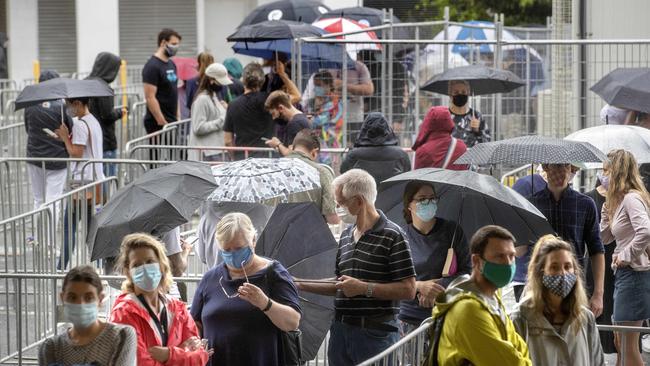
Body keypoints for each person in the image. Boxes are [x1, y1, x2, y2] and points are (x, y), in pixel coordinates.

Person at [297, 169, 416, 365]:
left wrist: (364, 288)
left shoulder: (393, 236)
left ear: (359, 201)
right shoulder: (346, 235)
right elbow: (340, 284)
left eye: (340, 203)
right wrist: (299, 283)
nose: (337, 208)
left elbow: (409, 289)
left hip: (375, 334)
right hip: (341, 331)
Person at [191, 213, 301, 365]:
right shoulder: (210, 278)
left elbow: (292, 322)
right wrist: (195, 343)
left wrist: (265, 303)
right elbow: (194, 323)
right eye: (226, 249)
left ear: (253, 241)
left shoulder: (274, 273)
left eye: (239, 248)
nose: (232, 254)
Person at [432, 225, 531, 365]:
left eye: (512, 256)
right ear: (477, 261)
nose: (508, 263)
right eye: (499, 256)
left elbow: (522, 348)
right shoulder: (468, 310)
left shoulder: (492, 300)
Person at [110, 233, 211, 365]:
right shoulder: (123, 313)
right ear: (128, 272)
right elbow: (140, 363)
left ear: (161, 265)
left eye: (150, 262)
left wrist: (168, 354)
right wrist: (181, 352)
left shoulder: (177, 307)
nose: (144, 268)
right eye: (137, 265)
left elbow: (200, 356)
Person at [510, 235, 604, 366]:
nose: (563, 274)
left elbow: (597, 362)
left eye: (567, 266)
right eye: (554, 267)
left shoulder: (585, 318)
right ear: (541, 272)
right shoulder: (520, 318)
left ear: (575, 271)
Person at [526, 163, 605, 317]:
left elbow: (596, 249)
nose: (561, 172)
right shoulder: (532, 204)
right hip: (540, 285)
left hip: (574, 285)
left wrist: (598, 294)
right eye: (556, 166)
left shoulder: (585, 204)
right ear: (546, 167)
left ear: (572, 169)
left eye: (566, 167)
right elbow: (523, 248)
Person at [398, 181, 471, 334]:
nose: (428, 203)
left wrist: (438, 288)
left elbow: (467, 273)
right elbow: (392, 277)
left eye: (432, 198)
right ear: (409, 205)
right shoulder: (400, 236)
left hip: (446, 313)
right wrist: (419, 286)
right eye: (422, 199)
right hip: (409, 318)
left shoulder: (452, 231)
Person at [600, 149, 650, 366]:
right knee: (623, 342)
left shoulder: (631, 199)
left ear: (616, 171)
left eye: (605, 170)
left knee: (628, 346)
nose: (602, 176)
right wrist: (606, 212)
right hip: (625, 276)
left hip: (633, 275)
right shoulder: (618, 202)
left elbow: (645, 231)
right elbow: (604, 238)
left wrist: (625, 256)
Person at [38, 265, 137, 365]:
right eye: (72, 297)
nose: (80, 304)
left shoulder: (121, 336)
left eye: (89, 298)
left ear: (100, 299)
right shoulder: (51, 347)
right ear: (62, 298)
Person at [55, 97, 105, 270]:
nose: (69, 109)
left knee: (70, 229)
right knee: (92, 230)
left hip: (82, 183)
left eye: (70, 105)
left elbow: (76, 152)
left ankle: (61, 267)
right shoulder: (93, 121)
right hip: (96, 180)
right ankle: (99, 267)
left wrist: (64, 138)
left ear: (77, 103)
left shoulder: (80, 125)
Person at [224, 62, 299, 160]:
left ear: (244, 80)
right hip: (268, 157)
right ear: (262, 81)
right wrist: (282, 74)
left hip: (242, 159)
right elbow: (297, 96)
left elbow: (228, 140)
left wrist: (234, 156)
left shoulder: (232, 105)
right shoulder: (270, 100)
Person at [25, 70, 72, 210]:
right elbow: (70, 130)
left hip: (34, 157)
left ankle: (39, 231)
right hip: (57, 159)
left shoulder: (29, 104)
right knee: (53, 200)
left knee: (38, 199)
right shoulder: (62, 106)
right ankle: (49, 232)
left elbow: (28, 129)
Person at [585, 172, 616, 354]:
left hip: (619, 263)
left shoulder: (628, 198)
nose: (608, 175)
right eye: (605, 169)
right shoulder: (589, 198)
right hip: (596, 260)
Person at [301, 61, 374, 135]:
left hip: (353, 118)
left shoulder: (359, 66)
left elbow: (370, 89)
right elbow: (315, 87)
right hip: (328, 121)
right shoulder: (324, 62)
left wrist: (345, 86)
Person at [340, 112, 411, 186]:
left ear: (365, 129)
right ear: (387, 129)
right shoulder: (401, 154)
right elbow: (407, 174)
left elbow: (343, 172)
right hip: (392, 195)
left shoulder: (354, 154)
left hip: (362, 196)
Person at [284, 129, 339, 224]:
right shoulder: (321, 173)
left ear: (292, 147)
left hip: (275, 234)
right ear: (314, 152)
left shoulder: (274, 168)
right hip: (308, 233)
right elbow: (332, 218)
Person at [86, 52, 125, 179]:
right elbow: (107, 114)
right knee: (108, 179)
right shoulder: (103, 88)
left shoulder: (84, 83)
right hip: (105, 142)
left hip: (86, 141)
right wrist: (121, 112)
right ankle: (107, 199)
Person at [188, 62, 231, 161]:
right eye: (220, 82)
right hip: (209, 153)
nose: (222, 86)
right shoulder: (202, 99)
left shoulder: (213, 96)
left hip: (216, 150)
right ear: (211, 80)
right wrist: (221, 121)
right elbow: (198, 127)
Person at [142, 28, 181, 135]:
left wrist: (177, 116)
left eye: (177, 44)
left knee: (176, 151)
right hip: (157, 124)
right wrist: (161, 121)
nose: (176, 47)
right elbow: (150, 97)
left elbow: (174, 91)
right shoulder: (152, 66)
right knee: (157, 152)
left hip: (172, 120)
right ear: (163, 42)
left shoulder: (171, 64)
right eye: (173, 44)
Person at [412, 106, 468, 170]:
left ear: (428, 122)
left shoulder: (423, 151)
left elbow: (416, 176)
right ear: (448, 121)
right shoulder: (461, 146)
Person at [263, 90, 311, 156]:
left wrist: (278, 144)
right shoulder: (299, 119)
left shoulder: (296, 123)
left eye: (273, 113)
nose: (273, 118)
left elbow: (293, 155)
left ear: (281, 108)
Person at [447, 80, 490, 147]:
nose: (460, 94)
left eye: (463, 92)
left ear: (468, 93)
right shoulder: (445, 116)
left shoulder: (476, 116)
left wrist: (477, 131)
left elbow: (487, 143)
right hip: (450, 156)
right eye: (456, 92)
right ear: (450, 94)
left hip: (473, 156)